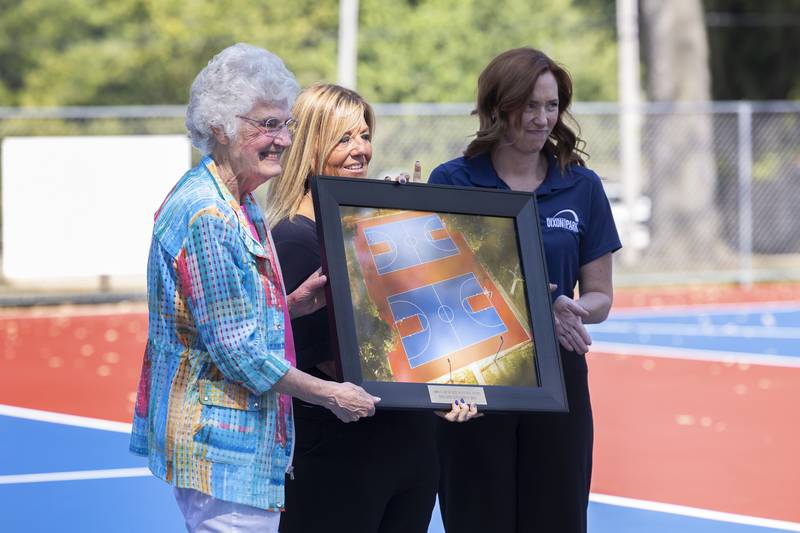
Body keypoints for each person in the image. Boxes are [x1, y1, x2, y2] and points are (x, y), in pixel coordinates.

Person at [128, 44, 379, 533]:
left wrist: (290, 307)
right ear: (220, 127)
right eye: (267, 125)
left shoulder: (239, 200)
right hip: (223, 452)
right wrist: (331, 394)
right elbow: (237, 350)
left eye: (285, 125)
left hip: (238, 447)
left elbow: (220, 323)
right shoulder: (210, 215)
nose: (283, 139)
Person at [265, 83, 478, 533]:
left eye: (364, 135)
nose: (361, 149)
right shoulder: (293, 237)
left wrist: (407, 222)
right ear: (311, 145)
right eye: (344, 138)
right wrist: (432, 392)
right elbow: (332, 360)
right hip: (340, 456)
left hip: (410, 449)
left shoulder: (374, 226)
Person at [429, 47, 622, 533]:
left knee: (556, 518)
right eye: (529, 106)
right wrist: (537, 308)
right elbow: (435, 293)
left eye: (551, 105)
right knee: (478, 517)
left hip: (559, 381)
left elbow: (600, 297)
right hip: (474, 382)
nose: (542, 119)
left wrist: (573, 309)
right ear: (498, 109)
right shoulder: (451, 182)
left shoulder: (582, 186)